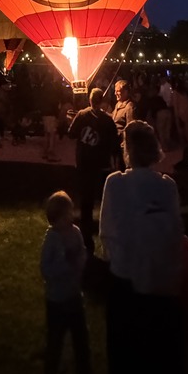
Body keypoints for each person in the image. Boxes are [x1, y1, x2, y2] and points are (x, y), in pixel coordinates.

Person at [99, 121, 188, 374]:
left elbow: (106, 232)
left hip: (125, 281)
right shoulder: (167, 186)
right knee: (159, 357)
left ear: (127, 149)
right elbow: (176, 230)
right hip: (161, 281)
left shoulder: (115, 182)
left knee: (124, 355)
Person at [40, 191, 107, 374]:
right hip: (56, 302)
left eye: (70, 213)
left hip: (74, 298)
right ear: (55, 219)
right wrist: (64, 267)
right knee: (55, 343)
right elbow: (45, 269)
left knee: (82, 343)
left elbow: (82, 254)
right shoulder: (52, 239)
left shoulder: (75, 233)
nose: (70, 218)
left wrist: (79, 263)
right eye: (66, 215)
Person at [68, 88, 119, 253]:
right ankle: (106, 226)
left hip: (84, 162)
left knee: (86, 197)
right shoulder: (107, 120)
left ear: (90, 100)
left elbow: (71, 134)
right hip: (100, 163)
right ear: (102, 101)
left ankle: (86, 229)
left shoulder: (82, 115)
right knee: (103, 196)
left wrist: (73, 121)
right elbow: (114, 142)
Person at [110, 81, 135, 168]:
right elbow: (114, 118)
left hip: (122, 144)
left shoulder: (129, 106)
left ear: (126, 92)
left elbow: (130, 126)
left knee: (122, 166)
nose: (115, 93)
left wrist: (125, 144)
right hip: (115, 142)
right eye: (115, 91)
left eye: (118, 91)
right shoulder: (118, 104)